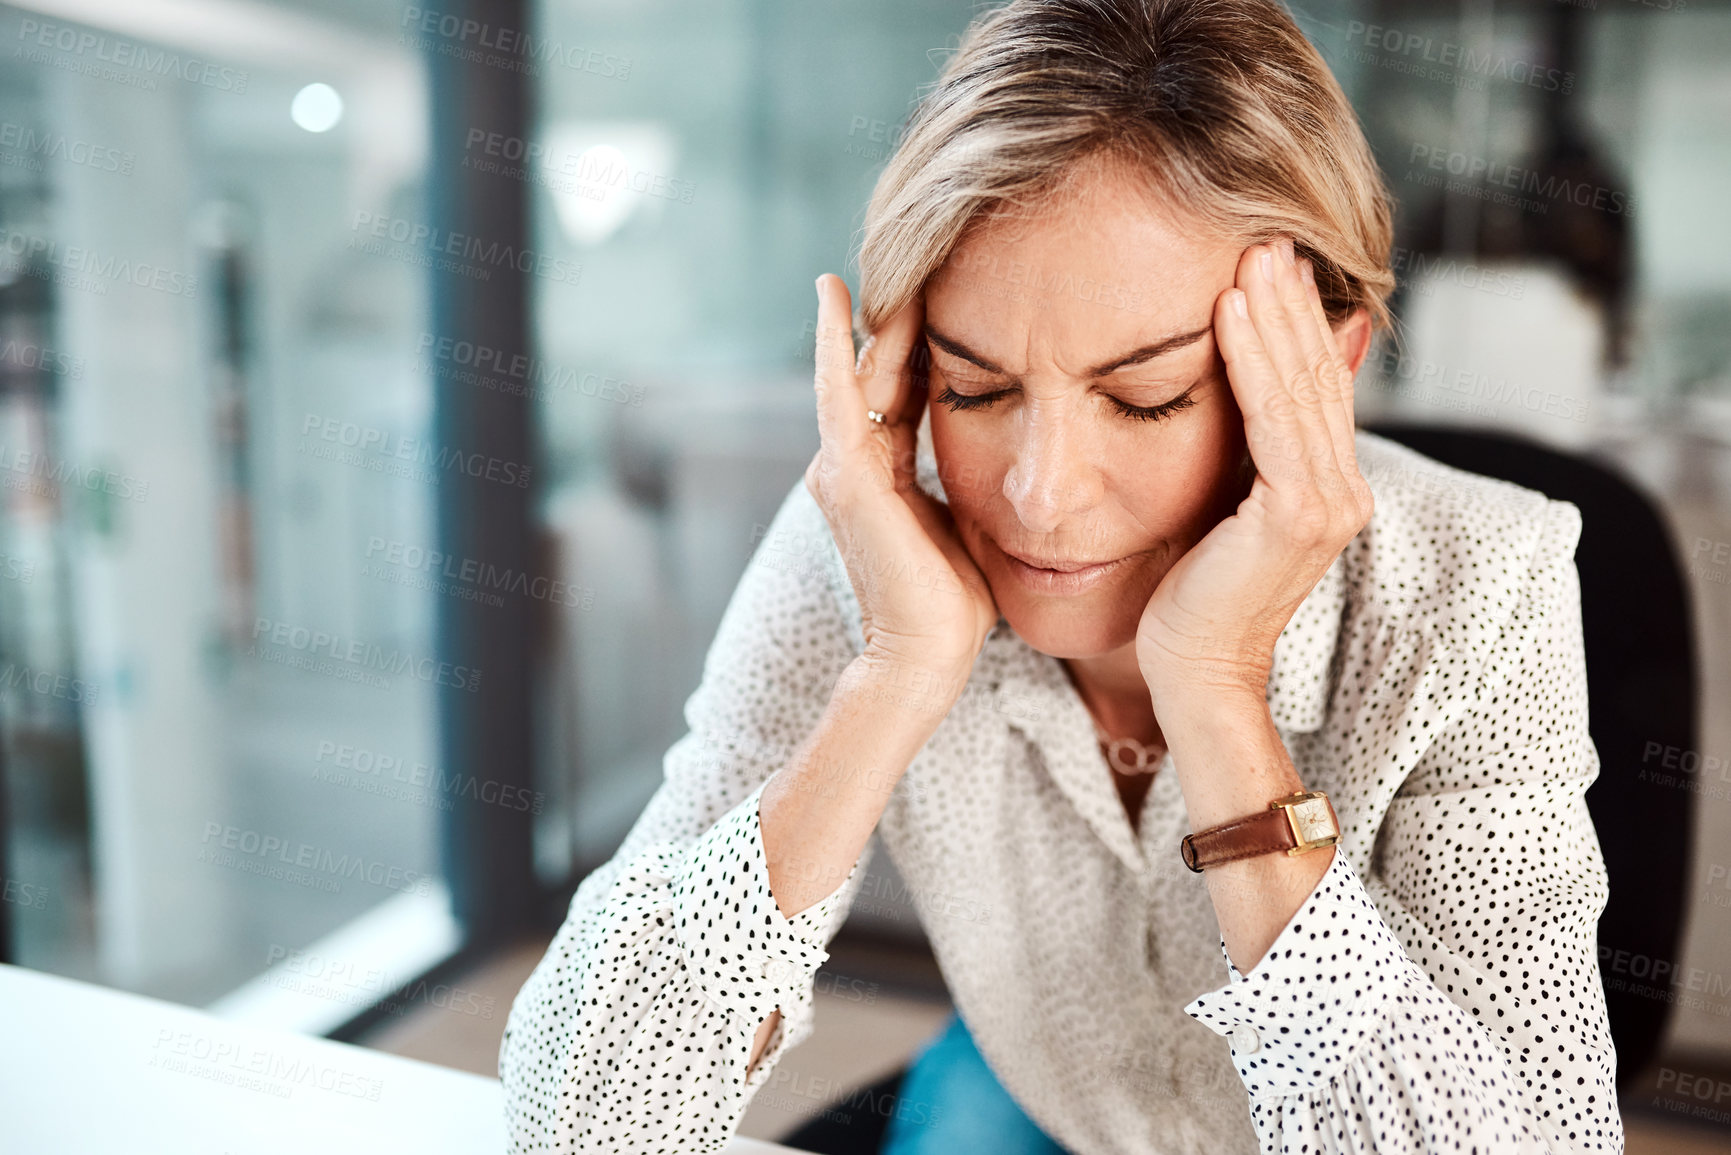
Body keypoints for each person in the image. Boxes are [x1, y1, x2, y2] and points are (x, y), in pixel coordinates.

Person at [499, 1, 1621, 1151]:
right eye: (974, 389)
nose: (1038, 496)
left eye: (1146, 398)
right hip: (1049, 1100)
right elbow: (570, 1124)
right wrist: (892, 677)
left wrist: (1218, 688)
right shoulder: (868, 531)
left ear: (1323, 363)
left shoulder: (1484, 583)